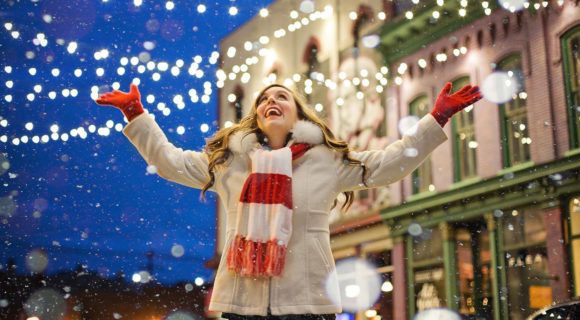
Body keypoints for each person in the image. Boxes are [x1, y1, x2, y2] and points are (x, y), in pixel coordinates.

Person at [95, 81, 482, 319]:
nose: (270, 101)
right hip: (243, 303)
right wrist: (136, 112)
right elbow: (170, 162)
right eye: (263, 99)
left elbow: (387, 165)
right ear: (257, 117)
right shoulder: (230, 162)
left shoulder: (327, 161)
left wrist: (436, 120)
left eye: (281, 96)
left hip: (309, 303)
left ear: (297, 115)